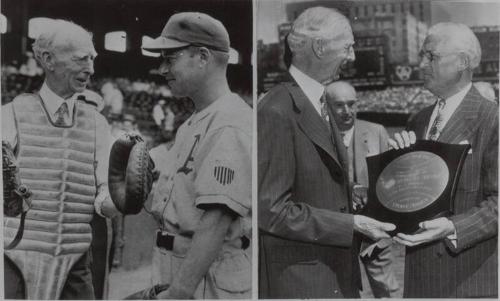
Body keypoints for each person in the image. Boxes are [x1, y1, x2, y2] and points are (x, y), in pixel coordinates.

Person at [258, 7, 396, 299]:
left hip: (334, 275)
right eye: (347, 47)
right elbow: (272, 211)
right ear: (319, 47)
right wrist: (351, 224)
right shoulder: (277, 110)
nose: (353, 57)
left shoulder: (319, 103)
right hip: (303, 282)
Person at [2, 19, 118, 299]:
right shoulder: (9, 115)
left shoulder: (97, 124)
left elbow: (105, 198)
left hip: (76, 262)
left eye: (92, 59)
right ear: (48, 59)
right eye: (81, 59)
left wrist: (118, 197)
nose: (90, 69)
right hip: (14, 258)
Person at [141, 12, 252, 299]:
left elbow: (216, 220)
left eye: (170, 58)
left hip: (207, 277)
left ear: (203, 57)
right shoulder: (194, 121)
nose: (162, 69)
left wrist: (179, 291)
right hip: (178, 263)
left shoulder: (230, 121)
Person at [389, 22, 498, 298]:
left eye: (431, 56)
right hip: (418, 281)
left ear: (462, 62)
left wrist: (452, 227)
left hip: (466, 282)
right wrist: (393, 168)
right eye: (421, 56)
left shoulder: (492, 119)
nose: (421, 64)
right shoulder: (418, 119)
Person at [325, 81, 400, 298]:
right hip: (337, 228)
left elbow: (391, 178)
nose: (347, 111)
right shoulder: (319, 137)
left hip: (374, 229)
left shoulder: (376, 132)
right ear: (326, 106)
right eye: (339, 105)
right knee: (342, 290)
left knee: (387, 289)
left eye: (351, 104)